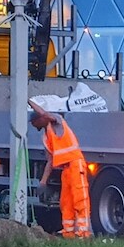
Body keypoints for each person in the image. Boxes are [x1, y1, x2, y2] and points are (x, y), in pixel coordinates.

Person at [29, 99, 92, 238]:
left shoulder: (56, 122)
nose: (33, 126)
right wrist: (43, 182)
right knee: (66, 202)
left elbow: (44, 113)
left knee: (80, 199)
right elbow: (50, 161)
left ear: (40, 119)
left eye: (34, 122)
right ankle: (68, 233)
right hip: (66, 170)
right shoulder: (46, 137)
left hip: (76, 164)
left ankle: (84, 233)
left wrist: (28, 100)